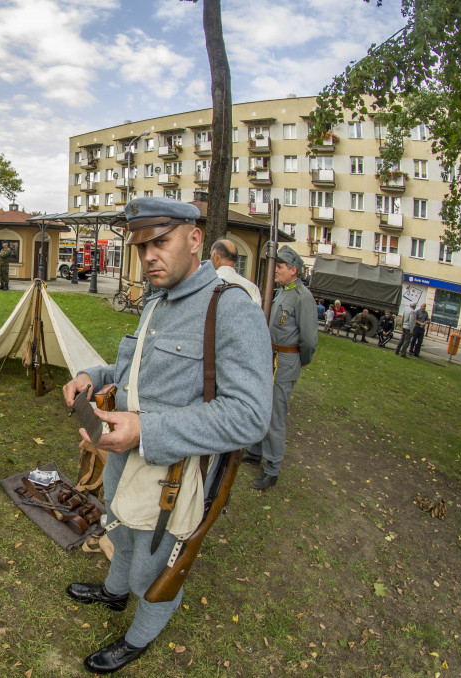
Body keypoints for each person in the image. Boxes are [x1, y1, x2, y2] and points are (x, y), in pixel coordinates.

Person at [61, 198, 272, 675]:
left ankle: (139, 636)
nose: (149, 256)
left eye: (161, 242)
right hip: (125, 458)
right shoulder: (157, 298)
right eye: (141, 246)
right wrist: (92, 376)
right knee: (118, 527)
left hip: (173, 475)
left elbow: (251, 415)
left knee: (153, 568)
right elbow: (133, 368)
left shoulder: (230, 307)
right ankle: (114, 595)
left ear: (194, 239)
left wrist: (147, 429)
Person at [245, 245, 318, 491]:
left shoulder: (302, 297)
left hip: (285, 362)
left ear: (294, 270)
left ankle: (272, 469)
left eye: (280, 267)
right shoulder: (282, 292)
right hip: (271, 357)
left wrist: (302, 361)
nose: (275, 270)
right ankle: (255, 451)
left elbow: (308, 338)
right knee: (263, 406)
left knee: (275, 415)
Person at [209, 238, 262, 307]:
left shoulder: (206, 282)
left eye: (211, 255)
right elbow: (257, 316)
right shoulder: (252, 288)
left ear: (215, 256)